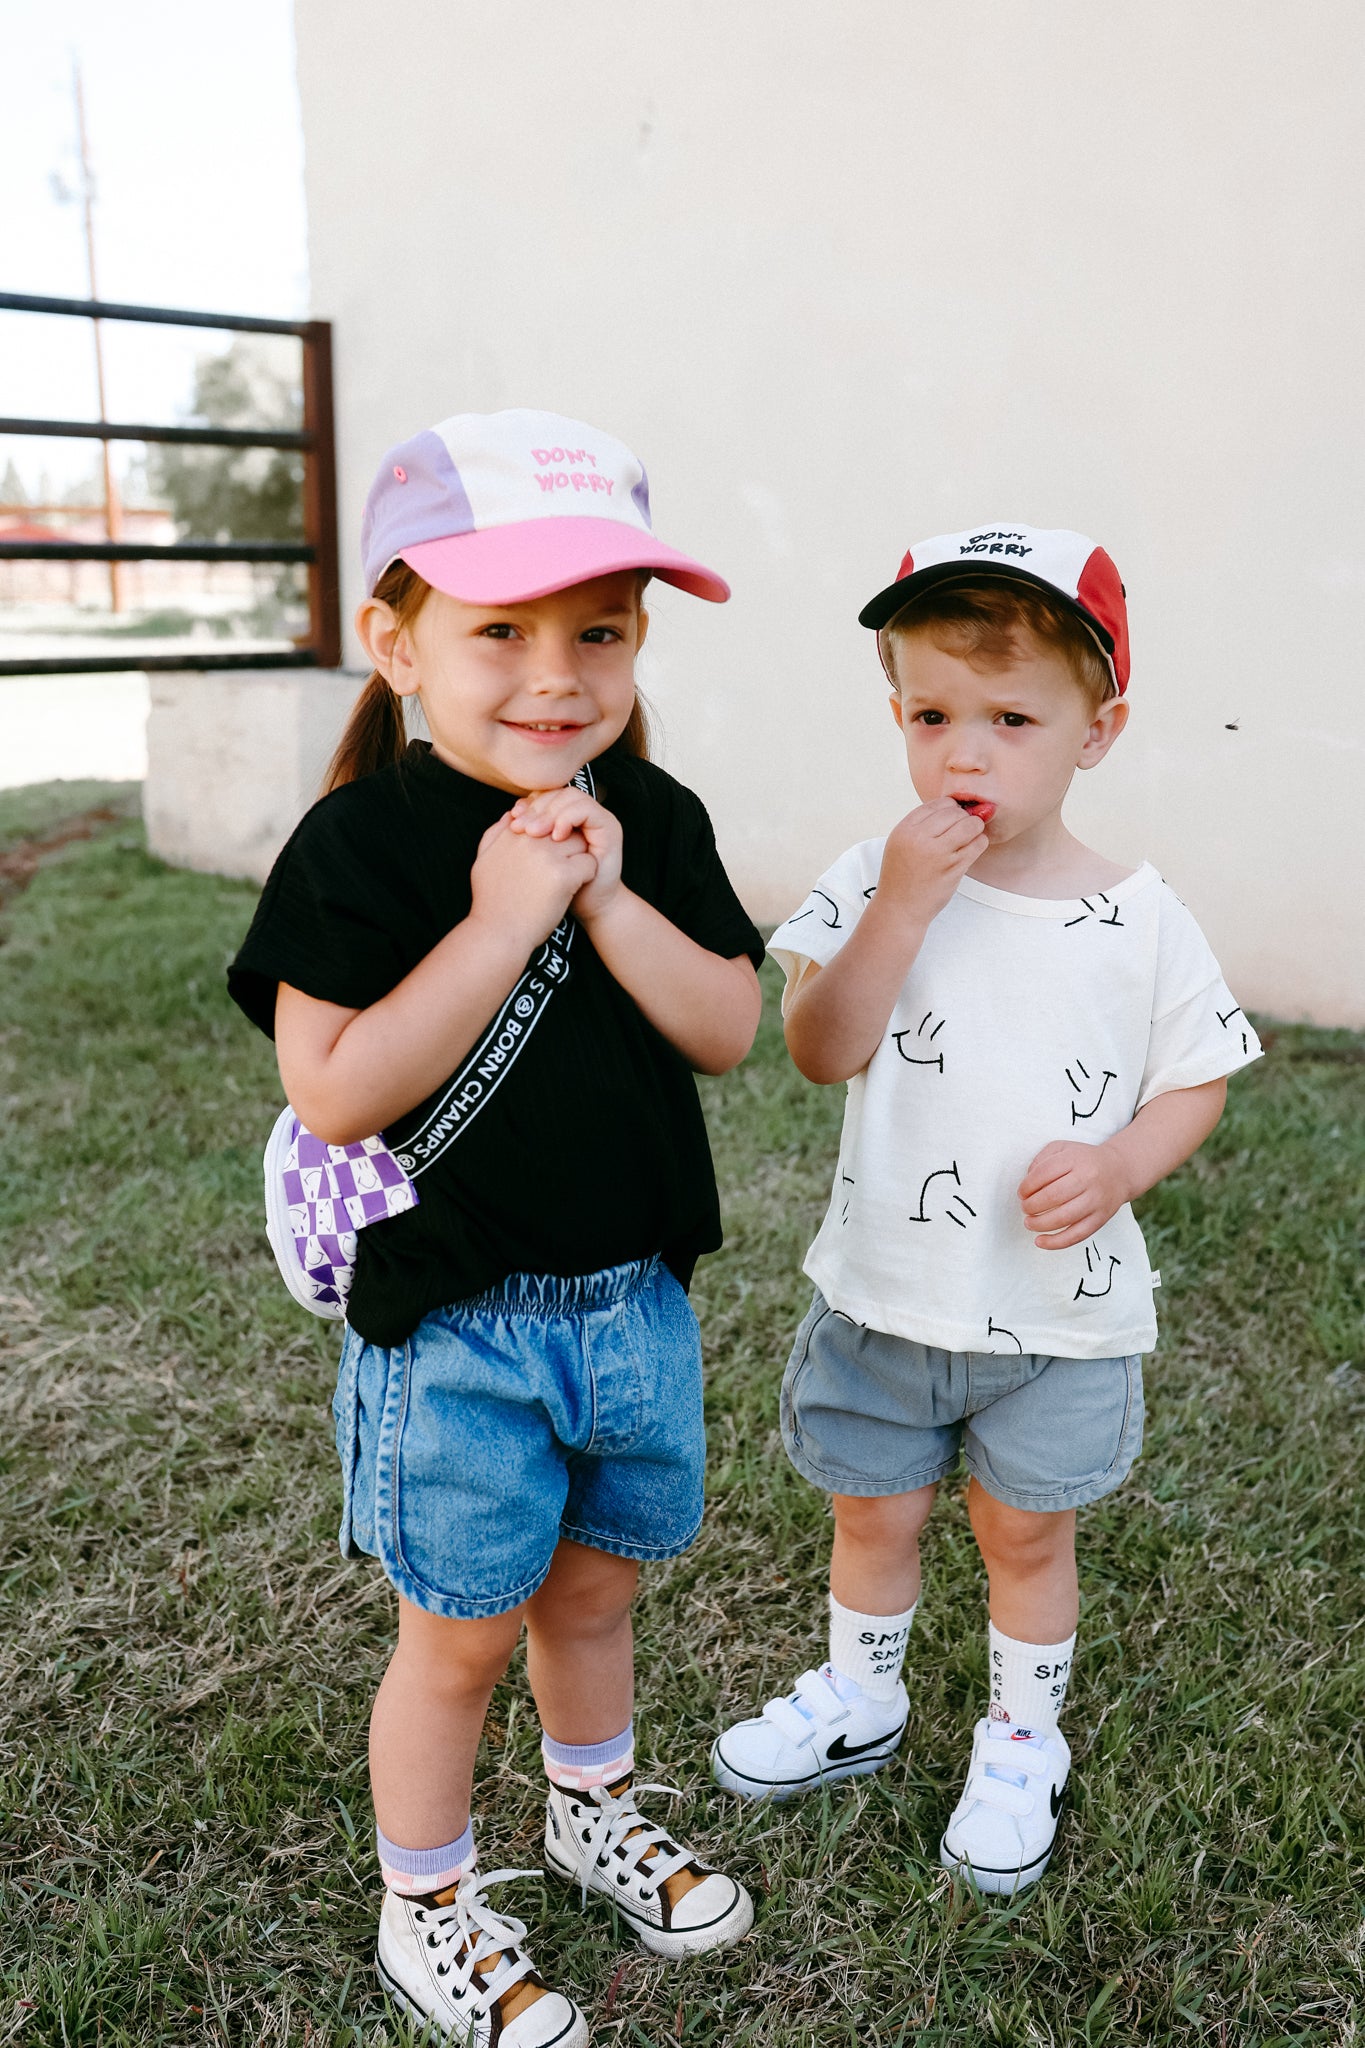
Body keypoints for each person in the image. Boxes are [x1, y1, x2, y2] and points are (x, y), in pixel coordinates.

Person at [229, 410, 763, 2047]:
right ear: (394, 643)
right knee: (455, 1640)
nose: (556, 673)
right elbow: (333, 1090)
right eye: (500, 630)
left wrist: (602, 893)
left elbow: (727, 1026)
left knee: (594, 1601)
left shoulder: (650, 817)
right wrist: (500, 914)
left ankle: (588, 1810)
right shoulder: (361, 845)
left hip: (632, 1310)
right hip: (456, 1326)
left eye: (597, 629)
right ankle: (433, 1902)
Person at [710, 524, 1262, 1895]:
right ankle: (862, 1692)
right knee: (872, 1514)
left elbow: (1196, 1075)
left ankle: (1022, 1737)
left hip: (1053, 1316)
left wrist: (1125, 1164)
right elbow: (820, 1047)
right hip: (885, 1292)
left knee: (1025, 1532)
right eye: (932, 715)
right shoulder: (872, 875)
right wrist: (897, 907)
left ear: (1096, 731)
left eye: (1011, 719)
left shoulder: (1138, 917)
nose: (966, 754)